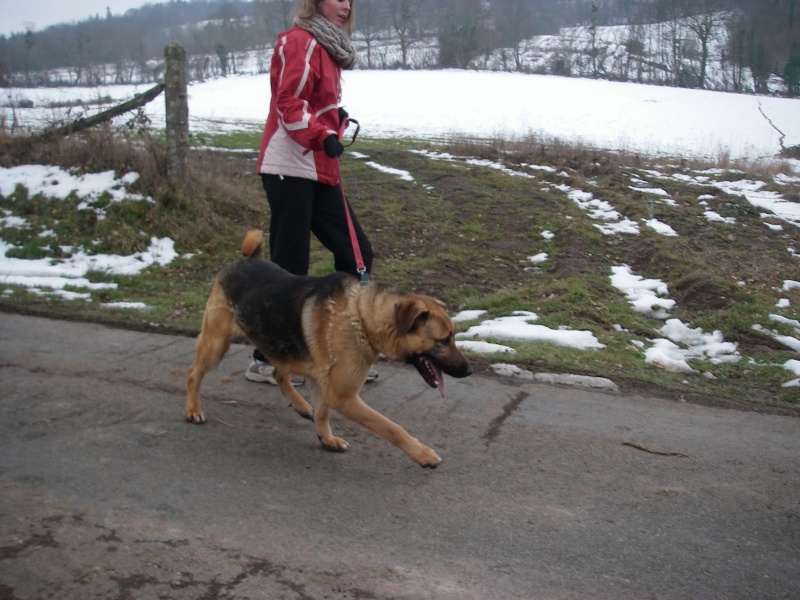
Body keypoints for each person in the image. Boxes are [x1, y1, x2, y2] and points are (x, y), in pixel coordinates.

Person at [246, 0, 377, 386]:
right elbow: (287, 103)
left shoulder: (330, 49)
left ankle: (339, 350)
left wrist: (334, 122)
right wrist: (321, 133)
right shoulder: (299, 41)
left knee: (357, 255)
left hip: (320, 167)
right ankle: (267, 359)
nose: (346, 5)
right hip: (288, 165)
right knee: (290, 267)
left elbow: (316, 104)